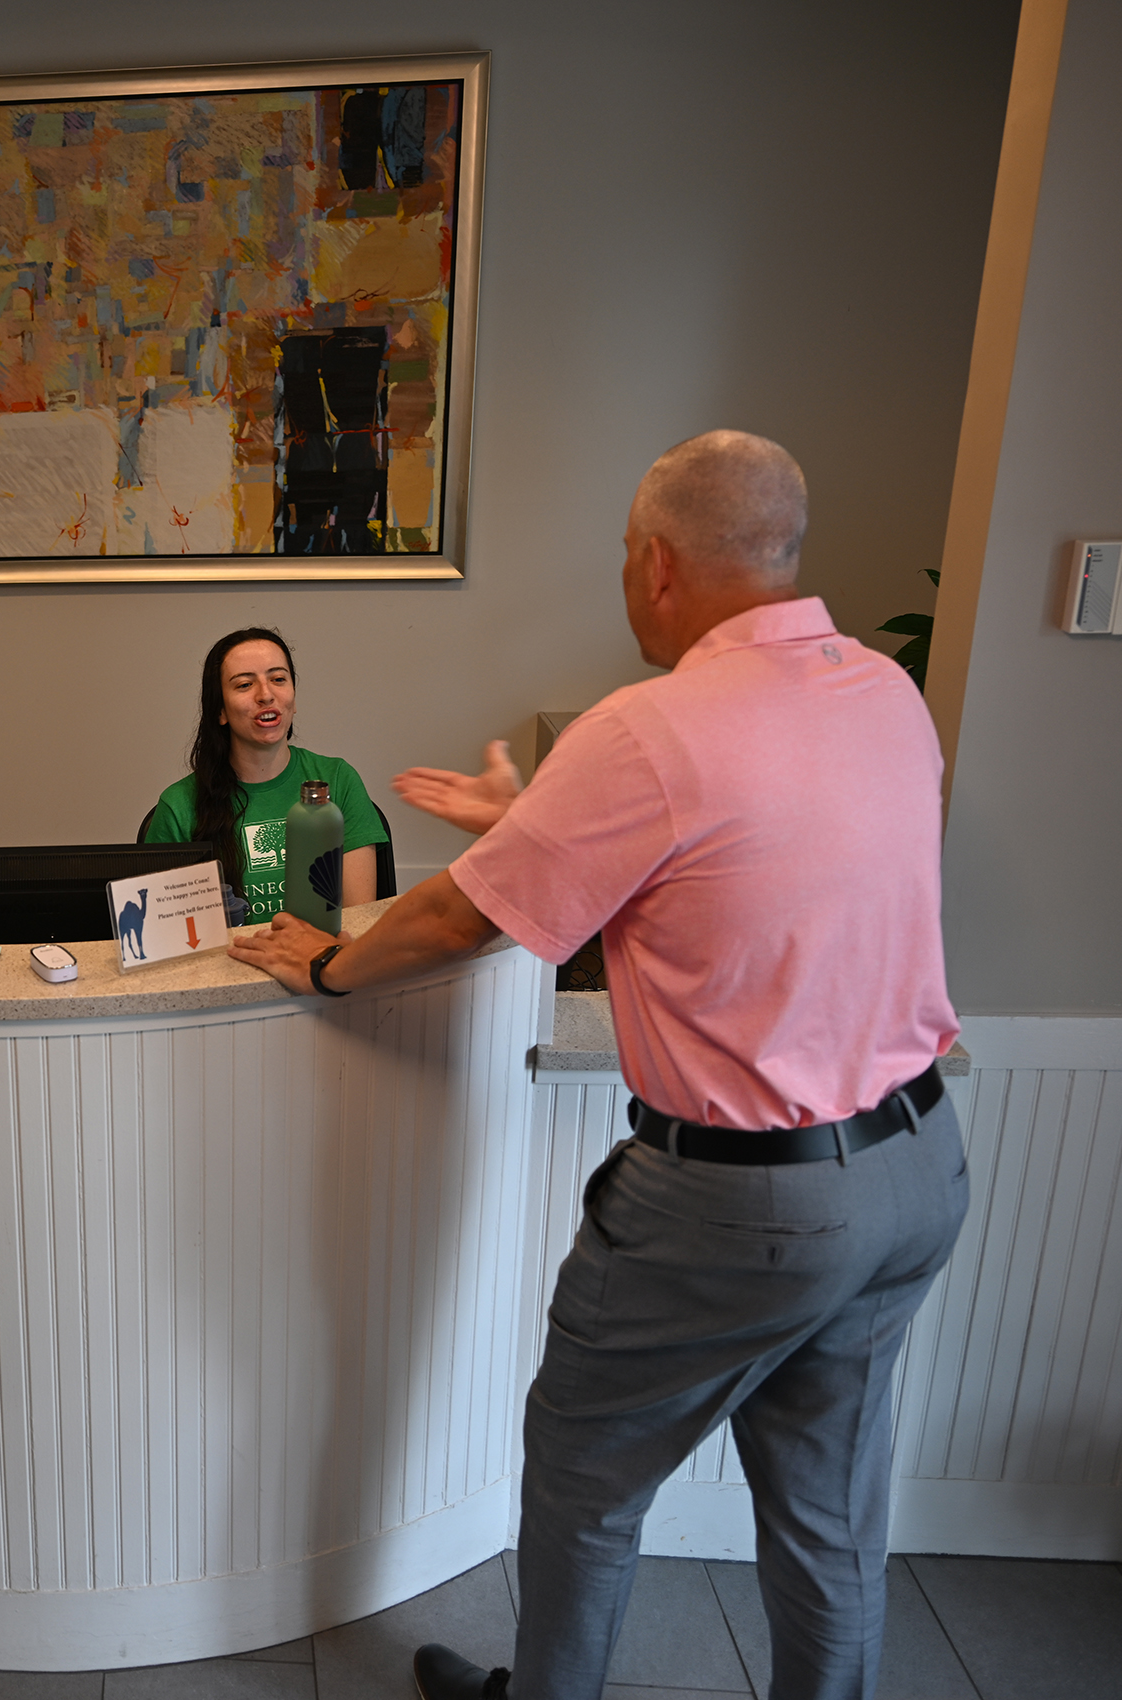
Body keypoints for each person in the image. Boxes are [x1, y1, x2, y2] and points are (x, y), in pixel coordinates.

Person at [229, 432, 966, 1700]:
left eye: (626, 558)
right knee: (829, 1511)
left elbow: (461, 917)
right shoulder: (886, 694)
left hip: (741, 1204)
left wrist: (327, 967)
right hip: (914, 1167)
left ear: (658, 563)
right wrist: (537, 822)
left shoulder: (650, 728)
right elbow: (752, 864)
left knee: (586, 1476)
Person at [141, 626, 388, 922]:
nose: (266, 695)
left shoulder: (337, 779)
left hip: (319, 962)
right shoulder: (178, 805)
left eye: (278, 679)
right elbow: (167, 935)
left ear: (293, 700)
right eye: (245, 685)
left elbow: (357, 921)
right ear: (220, 710)